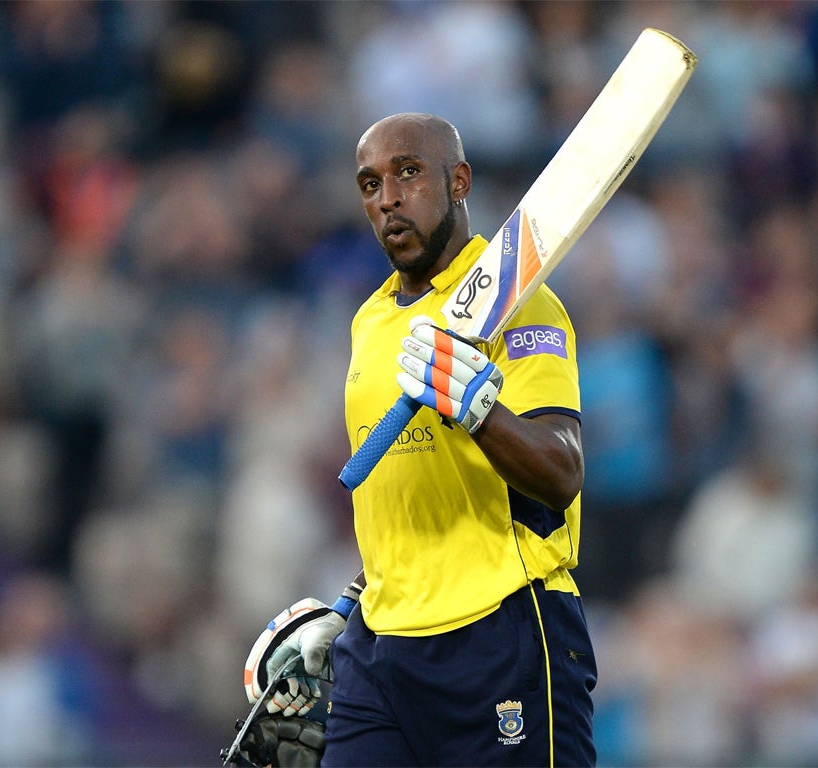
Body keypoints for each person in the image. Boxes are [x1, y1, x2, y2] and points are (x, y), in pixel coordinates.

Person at [242, 112, 595, 767]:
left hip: (502, 630)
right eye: (370, 184)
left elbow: (562, 472)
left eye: (408, 173)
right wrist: (349, 605)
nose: (388, 197)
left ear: (458, 181)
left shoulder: (523, 304)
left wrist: (479, 408)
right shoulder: (371, 322)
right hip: (380, 650)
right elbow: (403, 500)